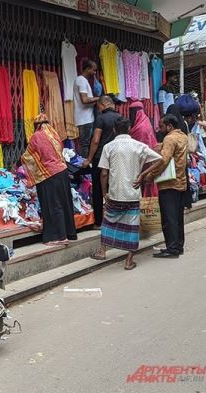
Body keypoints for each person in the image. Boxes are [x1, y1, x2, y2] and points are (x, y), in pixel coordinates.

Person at [91, 117, 161, 269]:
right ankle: (129, 261)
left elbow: (104, 173)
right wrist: (142, 175)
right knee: (132, 225)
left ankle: (102, 252)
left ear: (115, 130)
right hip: (133, 193)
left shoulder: (109, 147)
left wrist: (104, 193)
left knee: (109, 221)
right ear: (129, 128)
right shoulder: (138, 146)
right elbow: (159, 159)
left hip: (115, 192)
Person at [136, 114, 188, 258]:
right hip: (180, 182)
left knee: (169, 218)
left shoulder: (169, 138)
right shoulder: (182, 136)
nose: (159, 129)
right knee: (177, 217)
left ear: (169, 126)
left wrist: (150, 176)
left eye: (162, 126)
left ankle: (171, 249)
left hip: (168, 184)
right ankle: (178, 246)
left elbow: (163, 161)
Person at [21, 114, 77, 246]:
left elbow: (29, 156)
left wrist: (21, 161)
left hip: (49, 175)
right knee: (65, 203)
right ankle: (69, 233)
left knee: (53, 205)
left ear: (37, 125)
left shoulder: (37, 136)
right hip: (62, 172)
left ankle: (58, 237)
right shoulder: (55, 135)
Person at [82, 95, 121, 227]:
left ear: (104, 104)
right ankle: (117, 220)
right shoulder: (120, 118)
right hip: (117, 157)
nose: (98, 109)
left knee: (98, 190)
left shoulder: (101, 119)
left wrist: (89, 159)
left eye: (99, 107)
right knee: (115, 187)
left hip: (101, 158)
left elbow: (96, 140)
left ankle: (99, 222)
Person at [73, 58, 99, 158]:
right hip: (84, 119)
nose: (94, 72)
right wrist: (99, 98)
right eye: (93, 70)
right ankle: (84, 167)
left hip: (86, 118)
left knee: (86, 144)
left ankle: (85, 166)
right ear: (87, 69)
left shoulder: (82, 80)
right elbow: (84, 99)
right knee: (85, 145)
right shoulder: (81, 80)